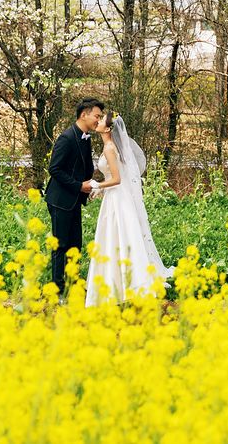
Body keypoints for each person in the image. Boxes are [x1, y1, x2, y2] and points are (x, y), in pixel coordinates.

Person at [85, 111, 173, 306]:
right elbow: (115, 177)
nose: (97, 122)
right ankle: (123, 283)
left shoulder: (109, 148)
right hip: (115, 196)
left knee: (117, 238)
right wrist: (101, 191)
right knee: (120, 238)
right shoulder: (112, 147)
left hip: (117, 199)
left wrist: (97, 186)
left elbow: (117, 179)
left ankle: (123, 284)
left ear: (108, 129)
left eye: (101, 121)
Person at [46, 98, 104, 292]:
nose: (99, 120)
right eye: (97, 116)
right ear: (83, 114)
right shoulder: (67, 137)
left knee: (75, 245)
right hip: (60, 200)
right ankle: (58, 288)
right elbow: (54, 169)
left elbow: (84, 168)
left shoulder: (85, 137)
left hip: (74, 200)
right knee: (60, 245)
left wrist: (93, 185)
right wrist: (79, 186)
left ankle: (73, 283)